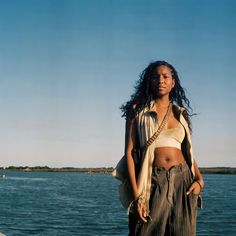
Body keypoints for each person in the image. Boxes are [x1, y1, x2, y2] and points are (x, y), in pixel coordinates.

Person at [120, 60, 204, 235]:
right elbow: (128, 152)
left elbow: (188, 152)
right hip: (152, 180)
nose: (161, 80)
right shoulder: (137, 110)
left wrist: (200, 180)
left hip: (184, 181)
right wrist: (136, 197)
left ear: (173, 82)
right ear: (149, 81)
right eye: (156, 77)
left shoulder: (180, 113)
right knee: (143, 231)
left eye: (165, 76)